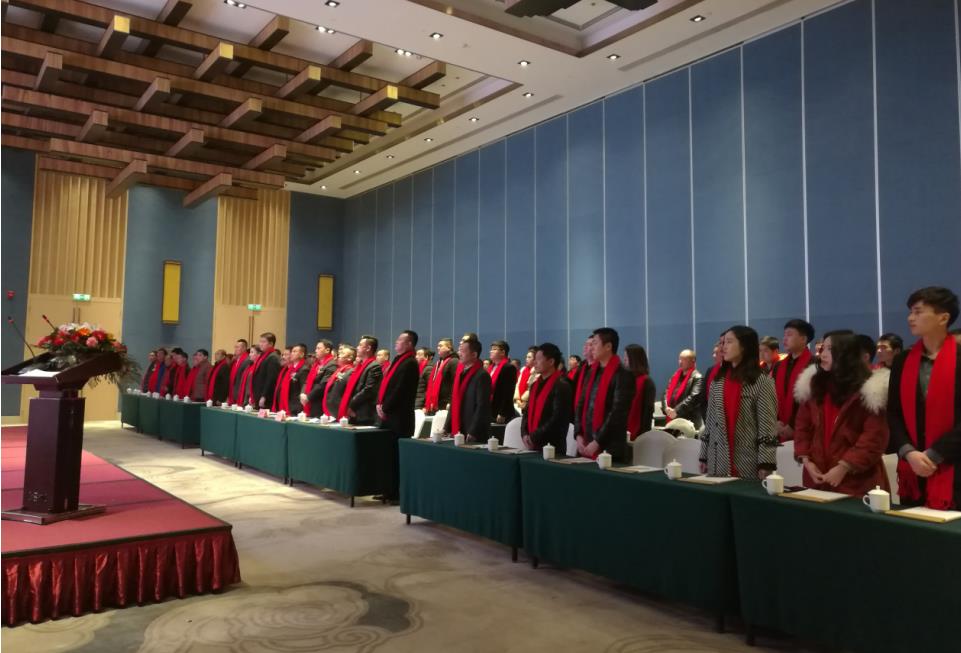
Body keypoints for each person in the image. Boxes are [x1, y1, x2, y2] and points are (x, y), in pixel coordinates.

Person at [887, 287, 961, 510]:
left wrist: (934, 455)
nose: (911, 318)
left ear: (943, 318)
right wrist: (909, 453)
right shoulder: (903, 360)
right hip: (912, 468)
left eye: (918, 312)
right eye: (910, 312)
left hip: (954, 466)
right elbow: (893, 412)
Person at [793, 333, 890, 495]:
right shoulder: (815, 385)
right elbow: (802, 426)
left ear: (847, 354)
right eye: (823, 348)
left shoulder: (869, 390)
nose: (823, 354)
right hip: (817, 477)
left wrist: (844, 466)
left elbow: (874, 437)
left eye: (830, 349)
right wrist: (807, 461)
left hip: (857, 481)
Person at [699, 326, 778, 479]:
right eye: (723, 343)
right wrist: (703, 455)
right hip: (717, 459)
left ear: (744, 346)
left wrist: (766, 463)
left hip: (747, 460)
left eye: (729, 342)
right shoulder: (717, 382)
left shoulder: (761, 382)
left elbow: (767, 427)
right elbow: (710, 422)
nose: (723, 347)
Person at [575, 328, 634, 462]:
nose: (591, 348)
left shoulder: (623, 374)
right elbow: (581, 404)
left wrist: (597, 441)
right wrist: (578, 435)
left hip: (609, 448)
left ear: (608, 346)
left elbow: (617, 413)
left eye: (595, 343)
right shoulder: (592, 372)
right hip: (585, 443)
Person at [521, 342, 572, 452]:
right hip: (532, 443)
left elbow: (557, 419)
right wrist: (524, 434)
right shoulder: (535, 385)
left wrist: (534, 437)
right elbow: (526, 412)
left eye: (538, 359)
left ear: (551, 362)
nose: (535, 362)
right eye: (534, 359)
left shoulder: (562, 385)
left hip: (552, 447)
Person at [773, 318, 817, 442]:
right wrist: (776, 421)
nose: (784, 339)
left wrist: (793, 425)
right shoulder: (778, 366)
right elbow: (772, 396)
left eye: (789, 335)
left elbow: (812, 400)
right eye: (784, 335)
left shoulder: (815, 364)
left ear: (803, 339)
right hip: (780, 428)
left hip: (806, 430)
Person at [443, 336, 492, 442]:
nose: (459, 354)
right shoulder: (460, 374)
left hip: (473, 431)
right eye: (459, 350)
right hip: (459, 428)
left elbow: (482, 406)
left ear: (474, 354)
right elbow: (454, 401)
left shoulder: (482, 375)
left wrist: (474, 430)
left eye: (462, 351)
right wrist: (446, 427)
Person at [377, 330, 420, 437]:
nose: (396, 341)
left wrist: (384, 408)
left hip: (400, 418)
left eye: (400, 339)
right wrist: (379, 404)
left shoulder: (410, 363)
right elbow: (387, 386)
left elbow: (399, 389)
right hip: (390, 414)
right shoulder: (398, 360)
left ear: (409, 344)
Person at [339, 335, 383, 425]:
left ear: (368, 348)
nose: (357, 347)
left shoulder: (374, 366)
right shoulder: (360, 366)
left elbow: (368, 390)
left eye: (360, 345)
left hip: (363, 414)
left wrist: (351, 405)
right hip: (354, 412)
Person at [662, 349, 704, 429]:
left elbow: (694, 398)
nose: (680, 362)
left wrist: (676, 411)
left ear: (693, 361)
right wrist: (666, 408)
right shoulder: (675, 376)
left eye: (684, 359)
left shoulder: (698, 377)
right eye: (680, 359)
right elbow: (665, 393)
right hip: (672, 417)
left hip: (689, 421)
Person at [624, 344, 656, 441]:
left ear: (634, 359)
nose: (624, 360)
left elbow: (648, 411)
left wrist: (643, 436)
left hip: (639, 433)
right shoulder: (625, 379)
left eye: (626, 357)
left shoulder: (647, 382)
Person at [300, 340, 336, 417]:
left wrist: (308, 397)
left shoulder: (332, 365)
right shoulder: (317, 364)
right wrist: (303, 393)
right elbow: (307, 381)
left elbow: (322, 385)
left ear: (327, 350)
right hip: (310, 401)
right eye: (316, 348)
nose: (316, 351)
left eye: (318, 348)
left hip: (319, 403)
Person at [424, 338, 458, 414]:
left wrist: (450, 402)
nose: (438, 348)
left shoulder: (454, 361)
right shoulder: (439, 363)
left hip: (446, 404)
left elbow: (455, 383)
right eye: (438, 346)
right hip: (438, 404)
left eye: (441, 346)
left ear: (449, 347)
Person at [273, 343, 308, 415]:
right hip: (287, 404)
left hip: (296, 407)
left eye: (295, 351)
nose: (292, 353)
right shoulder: (290, 369)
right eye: (292, 351)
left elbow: (304, 389)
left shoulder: (304, 369)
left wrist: (298, 408)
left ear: (301, 354)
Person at [488, 340, 518, 423]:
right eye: (491, 349)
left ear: (502, 352)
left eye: (494, 349)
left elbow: (508, 392)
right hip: (489, 408)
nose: (491, 351)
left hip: (500, 411)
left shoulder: (508, 368)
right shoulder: (491, 367)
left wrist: (503, 412)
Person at [250, 332, 281, 409]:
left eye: (263, 342)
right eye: (260, 341)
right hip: (258, 395)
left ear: (271, 344)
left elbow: (271, 379)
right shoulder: (263, 356)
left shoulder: (273, 357)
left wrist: (264, 396)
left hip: (266, 398)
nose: (260, 344)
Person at [323, 345, 356, 417]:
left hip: (340, 410)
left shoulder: (351, 371)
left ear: (350, 358)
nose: (339, 355)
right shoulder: (338, 370)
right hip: (331, 409)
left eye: (342, 353)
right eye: (339, 353)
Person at [571, 337, 594, 418]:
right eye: (585, 344)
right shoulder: (582, 368)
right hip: (577, 412)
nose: (585, 347)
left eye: (590, 344)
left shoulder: (600, 369)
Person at [227, 339, 250, 405]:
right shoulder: (236, 361)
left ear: (244, 348)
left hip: (240, 393)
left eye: (237, 347)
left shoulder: (247, 360)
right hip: (233, 393)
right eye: (235, 347)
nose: (235, 349)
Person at [514, 347, 537, 413]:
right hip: (518, 402)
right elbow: (517, 384)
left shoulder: (537, 371)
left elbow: (531, 388)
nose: (526, 359)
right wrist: (517, 399)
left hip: (528, 403)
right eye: (526, 357)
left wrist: (524, 400)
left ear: (535, 359)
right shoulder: (523, 369)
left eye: (529, 357)